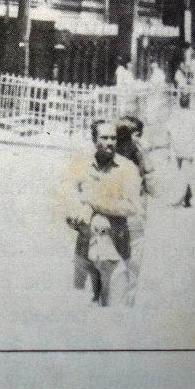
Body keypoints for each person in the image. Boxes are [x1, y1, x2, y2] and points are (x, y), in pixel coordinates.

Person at [61, 119, 141, 306]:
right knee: (83, 306)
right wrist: (74, 213)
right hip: (85, 245)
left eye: (113, 138)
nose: (110, 143)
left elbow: (131, 206)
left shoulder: (127, 168)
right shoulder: (83, 165)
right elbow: (70, 194)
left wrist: (93, 203)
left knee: (112, 304)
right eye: (104, 138)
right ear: (94, 139)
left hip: (113, 245)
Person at [116, 116, 156, 306]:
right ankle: (127, 301)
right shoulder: (140, 154)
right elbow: (153, 188)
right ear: (136, 135)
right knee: (133, 257)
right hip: (135, 213)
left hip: (113, 212)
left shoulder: (108, 153)